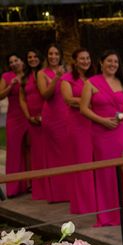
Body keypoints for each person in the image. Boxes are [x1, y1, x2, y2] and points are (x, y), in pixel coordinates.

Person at [80, 50, 123, 227]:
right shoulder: (91, 83)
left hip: (121, 129)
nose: (112, 64)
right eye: (109, 61)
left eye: (115, 62)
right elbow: (84, 108)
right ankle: (110, 213)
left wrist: (122, 116)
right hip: (101, 132)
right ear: (101, 63)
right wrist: (102, 121)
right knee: (106, 173)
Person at [61, 48, 97, 215]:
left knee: (96, 161)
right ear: (75, 61)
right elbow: (69, 100)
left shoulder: (95, 77)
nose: (85, 61)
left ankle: (98, 199)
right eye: (82, 58)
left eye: (88, 58)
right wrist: (87, 101)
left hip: (95, 122)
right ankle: (85, 204)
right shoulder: (67, 79)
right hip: (77, 125)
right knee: (82, 163)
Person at [37, 43, 71, 203]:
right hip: (52, 117)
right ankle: (57, 193)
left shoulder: (68, 71)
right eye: (50, 54)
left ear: (60, 55)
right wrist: (56, 77)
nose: (53, 57)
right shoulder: (41, 73)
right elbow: (45, 94)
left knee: (68, 153)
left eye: (56, 53)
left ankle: (70, 191)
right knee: (55, 156)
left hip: (66, 115)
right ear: (47, 56)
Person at [0, 53, 30, 197]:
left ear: (22, 61)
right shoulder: (6, 76)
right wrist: (11, 84)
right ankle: (13, 187)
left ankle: (30, 184)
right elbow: (0, 95)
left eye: (16, 60)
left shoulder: (30, 73)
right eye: (11, 62)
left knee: (31, 150)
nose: (13, 63)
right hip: (14, 117)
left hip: (29, 115)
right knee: (14, 150)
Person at [18, 49, 46, 200]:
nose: (32, 59)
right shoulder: (24, 77)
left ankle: (49, 184)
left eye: (35, 56)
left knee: (46, 151)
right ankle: (37, 185)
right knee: (35, 152)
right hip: (31, 118)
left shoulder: (44, 73)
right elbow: (22, 98)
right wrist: (28, 116)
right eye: (29, 57)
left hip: (45, 117)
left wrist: (43, 116)